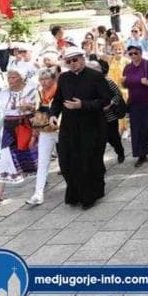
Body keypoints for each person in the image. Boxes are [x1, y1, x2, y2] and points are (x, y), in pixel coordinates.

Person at [49, 47, 112, 209]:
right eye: (68, 61)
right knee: (67, 161)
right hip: (69, 126)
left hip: (91, 125)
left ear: (82, 59)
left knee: (88, 161)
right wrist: (53, 114)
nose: (72, 64)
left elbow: (105, 100)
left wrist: (82, 105)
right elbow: (58, 100)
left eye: (75, 60)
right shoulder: (63, 78)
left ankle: (89, 196)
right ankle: (75, 193)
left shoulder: (96, 76)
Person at [0, 69, 39, 204]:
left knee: (32, 156)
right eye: (9, 78)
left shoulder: (31, 90)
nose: (10, 80)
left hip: (26, 126)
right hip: (9, 127)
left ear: (21, 78)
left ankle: (41, 184)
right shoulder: (3, 91)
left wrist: (30, 108)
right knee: (5, 158)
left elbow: (40, 108)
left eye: (13, 77)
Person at [122, 43, 148, 167]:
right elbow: (126, 84)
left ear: (141, 53)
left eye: (136, 53)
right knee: (137, 129)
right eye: (130, 54)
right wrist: (124, 83)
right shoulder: (128, 68)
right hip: (135, 102)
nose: (133, 55)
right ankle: (141, 154)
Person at [26, 67, 59, 205]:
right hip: (45, 131)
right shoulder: (39, 93)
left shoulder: (59, 91)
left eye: (47, 78)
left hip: (60, 129)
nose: (44, 82)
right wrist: (34, 135)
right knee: (42, 162)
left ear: (53, 79)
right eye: (42, 79)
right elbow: (37, 116)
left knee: (69, 159)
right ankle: (38, 194)